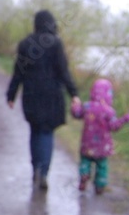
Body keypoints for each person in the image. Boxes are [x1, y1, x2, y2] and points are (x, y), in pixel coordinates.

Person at [6, 10, 80, 190]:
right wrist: (74, 94)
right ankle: (44, 172)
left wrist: (11, 95)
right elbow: (64, 71)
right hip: (52, 96)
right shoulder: (56, 43)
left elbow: (18, 72)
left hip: (31, 95)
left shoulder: (25, 44)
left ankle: (35, 170)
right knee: (47, 133)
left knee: (34, 131)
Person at [70, 78, 129, 194]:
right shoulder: (109, 111)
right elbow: (114, 127)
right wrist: (124, 119)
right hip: (102, 147)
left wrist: (74, 105)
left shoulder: (87, 107)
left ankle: (84, 174)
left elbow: (77, 114)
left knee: (85, 161)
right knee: (102, 166)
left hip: (87, 144)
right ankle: (100, 184)